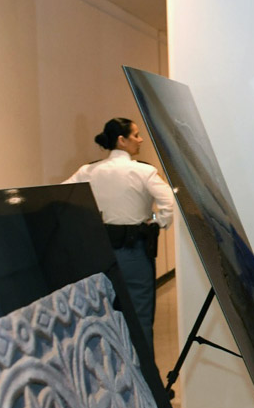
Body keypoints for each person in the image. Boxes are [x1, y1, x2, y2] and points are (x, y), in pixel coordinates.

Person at [64, 118, 174, 353]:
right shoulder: (143, 171)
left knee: (102, 316)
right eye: (135, 135)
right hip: (135, 252)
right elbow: (169, 203)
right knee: (140, 317)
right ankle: (146, 380)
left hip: (99, 252)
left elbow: (63, 194)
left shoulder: (88, 171)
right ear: (121, 140)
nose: (140, 139)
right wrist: (156, 222)